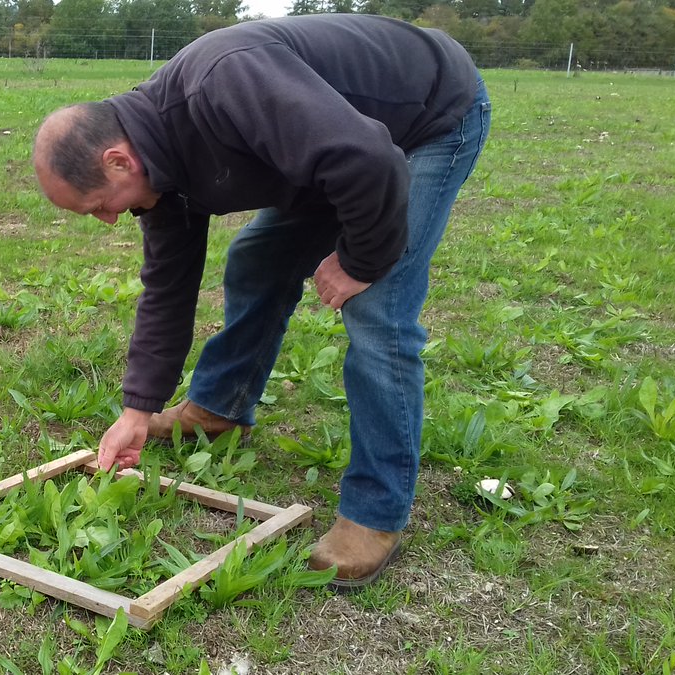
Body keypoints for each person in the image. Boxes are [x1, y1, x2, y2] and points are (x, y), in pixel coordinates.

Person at [32, 14, 490, 590]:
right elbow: (168, 287)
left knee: (379, 308)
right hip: (333, 149)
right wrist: (137, 410)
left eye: (99, 204)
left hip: (424, 118)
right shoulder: (159, 166)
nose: (105, 220)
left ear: (118, 160)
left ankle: (375, 515)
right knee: (256, 258)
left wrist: (359, 262)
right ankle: (220, 408)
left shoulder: (224, 83)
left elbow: (370, 162)